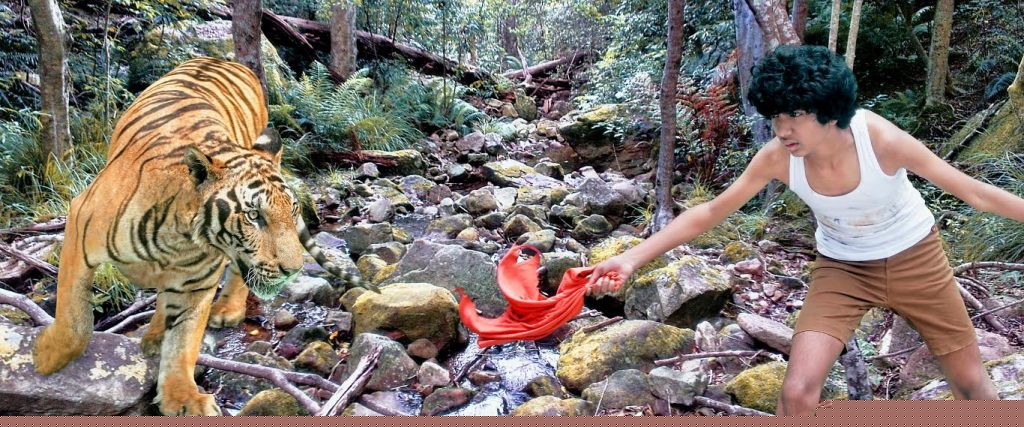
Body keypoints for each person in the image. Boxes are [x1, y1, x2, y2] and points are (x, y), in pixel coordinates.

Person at [587, 44, 1012, 414]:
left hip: (917, 260)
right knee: (797, 392)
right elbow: (711, 211)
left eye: (795, 114)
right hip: (843, 270)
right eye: (775, 116)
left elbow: (975, 193)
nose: (782, 129)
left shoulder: (880, 140)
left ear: (828, 110)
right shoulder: (778, 157)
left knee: (971, 385)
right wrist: (631, 258)